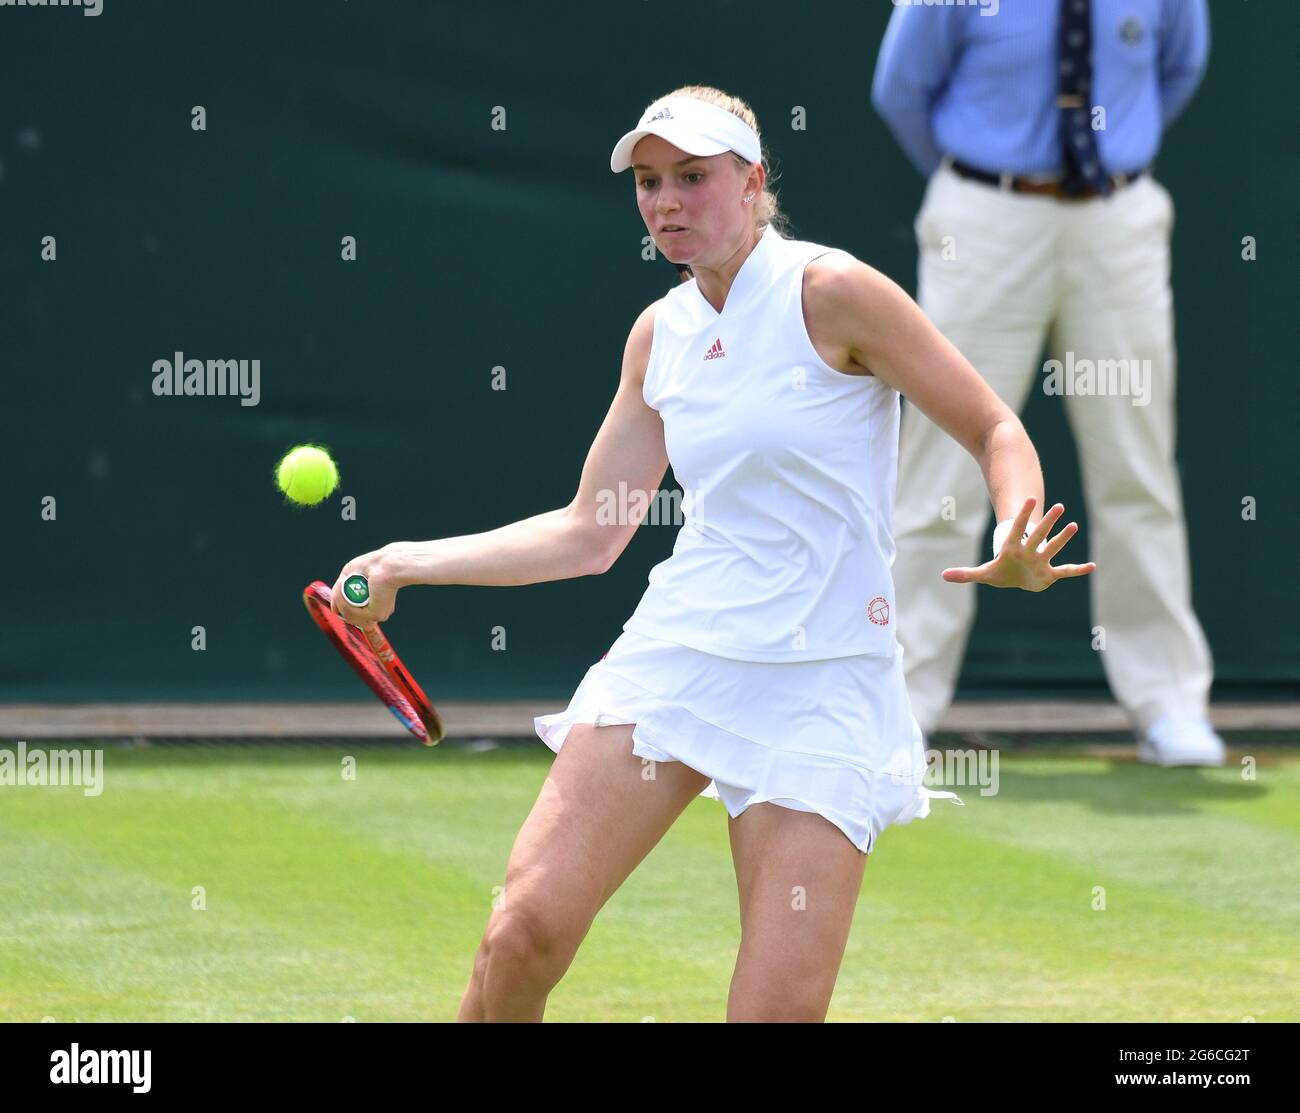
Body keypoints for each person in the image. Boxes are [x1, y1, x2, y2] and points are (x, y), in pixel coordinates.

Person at [330, 86, 1093, 1023]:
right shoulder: (661, 333)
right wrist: (405, 562)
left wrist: (1016, 528)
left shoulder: (835, 292)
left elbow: (992, 426)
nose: (666, 202)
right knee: (519, 935)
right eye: (648, 182)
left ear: (753, 180)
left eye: (693, 177)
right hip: (682, 651)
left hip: (824, 679)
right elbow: (589, 530)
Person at [872, 0, 1220, 766]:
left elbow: (1178, 70)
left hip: (1118, 216)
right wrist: (982, 180)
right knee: (940, 471)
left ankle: (1168, 702)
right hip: (984, 218)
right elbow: (901, 88)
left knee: (1137, 468)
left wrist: (1111, 154)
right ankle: (896, 707)